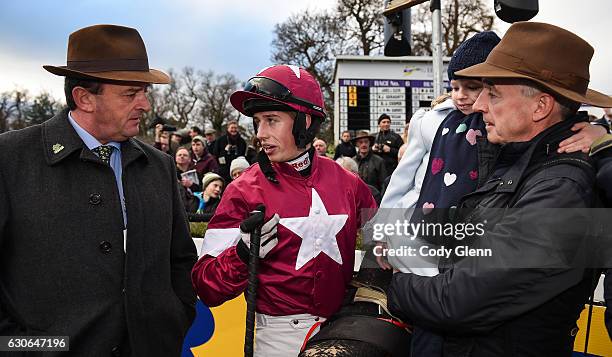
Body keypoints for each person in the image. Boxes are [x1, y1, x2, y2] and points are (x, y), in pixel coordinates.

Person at [386, 22, 612, 356]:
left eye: (493, 94)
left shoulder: (561, 190)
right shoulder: (522, 163)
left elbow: (460, 300)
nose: (478, 106)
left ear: (541, 106)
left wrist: (391, 284)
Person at [0, 24, 196, 356]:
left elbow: (180, 259)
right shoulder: (10, 159)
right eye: (131, 93)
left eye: (144, 92)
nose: (145, 105)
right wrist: (24, 348)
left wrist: (173, 321)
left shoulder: (159, 166)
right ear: (85, 98)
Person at [191, 64, 376, 357]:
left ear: (305, 122)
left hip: (343, 330)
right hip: (276, 338)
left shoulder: (349, 183)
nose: (260, 134)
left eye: (272, 120)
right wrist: (240, 255)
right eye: (257, 122)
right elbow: (206, 286)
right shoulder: (242, 190)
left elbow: (390, 243)